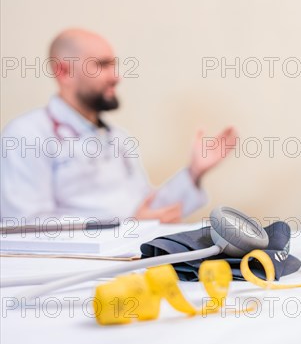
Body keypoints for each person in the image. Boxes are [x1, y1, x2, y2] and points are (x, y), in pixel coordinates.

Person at [0, 29, 237, 224]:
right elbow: (26, 226)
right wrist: (126, 226)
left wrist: (194, 173)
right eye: (102, 65)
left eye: (114, 64)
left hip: (128, 261)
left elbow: (148, 210)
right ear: (64, 71)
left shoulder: (119, 138)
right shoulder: (26, 136)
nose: (116, 76)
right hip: (75, 274)